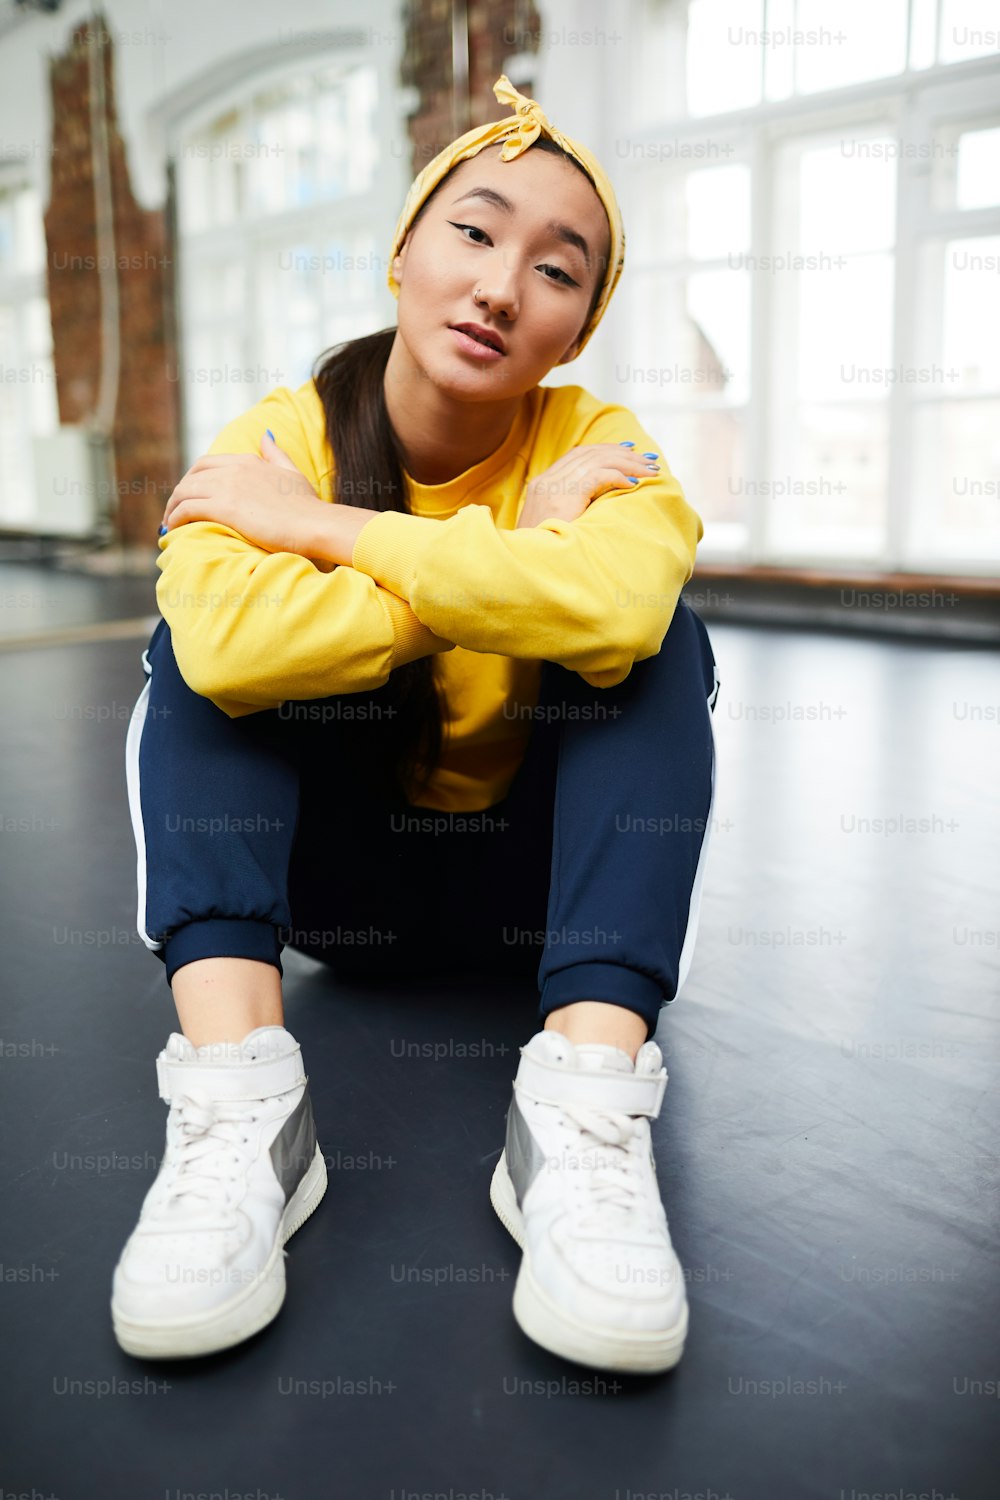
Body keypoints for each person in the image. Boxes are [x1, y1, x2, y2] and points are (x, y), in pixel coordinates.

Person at [114, 74, 721, 1376]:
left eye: (558, 270)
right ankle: (239, 1115)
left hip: (535, 901)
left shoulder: (606, 443)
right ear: (400, 254)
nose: (504, 286)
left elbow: (615, 601)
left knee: (659, 631)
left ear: (576, 328)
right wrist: (503, 559)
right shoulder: (283, 435)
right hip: (351, 894)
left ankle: (583, 1117)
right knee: (195, 651)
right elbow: (223, 642)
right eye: (473, 232)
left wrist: (330, 539)